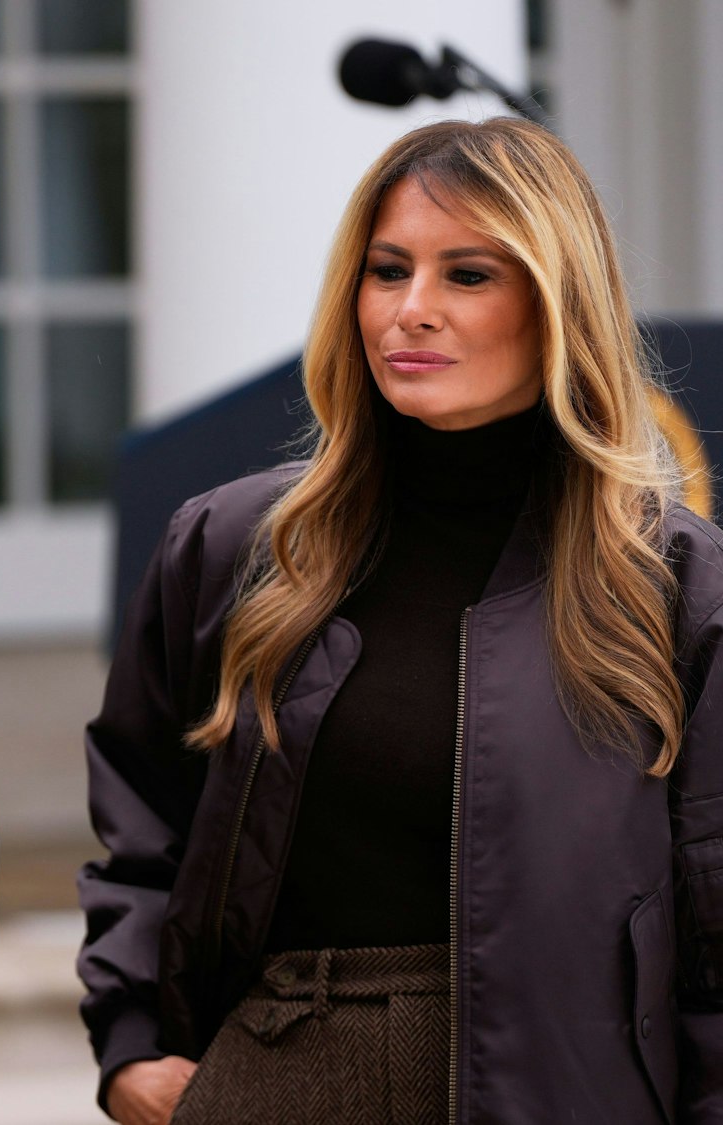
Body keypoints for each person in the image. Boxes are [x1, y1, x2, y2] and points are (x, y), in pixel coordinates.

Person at [78, 116, 723, 1124]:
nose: (409, 311)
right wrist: (126, 1051)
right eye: (386, 271)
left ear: (557, 304)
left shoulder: (672, 580)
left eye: (466, 275)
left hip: (566, 1090)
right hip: (275, 1077)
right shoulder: (233, 547)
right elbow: (140, 827)